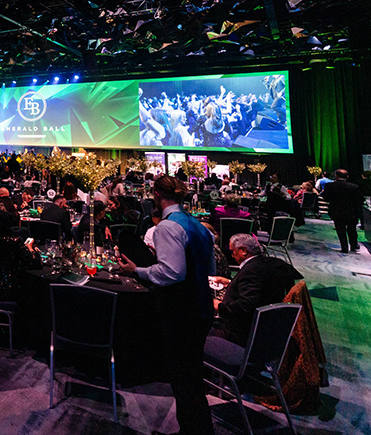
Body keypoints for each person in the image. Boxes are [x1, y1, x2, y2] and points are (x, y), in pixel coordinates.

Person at [118, 175, 215, 435]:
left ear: (157, 195)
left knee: (183, 379)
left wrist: (137, 270)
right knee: (192, 378)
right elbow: (210, 268)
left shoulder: (167, 227)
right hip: (202, 306)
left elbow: (172, 272)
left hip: (181, 310)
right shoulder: (199, 227)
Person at [209, 233, 302, 345]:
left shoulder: (251, 271)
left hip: (241, 334)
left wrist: (219, 306)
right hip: (269, 328)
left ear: (243, 250)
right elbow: (263, 288)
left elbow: (246, 306)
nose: (232, 256)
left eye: (233, 251)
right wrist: (230, 282)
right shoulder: (275, 263)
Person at [321, 169, 362, 253]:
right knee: (352, 229)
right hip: (351, 212)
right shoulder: (354, 187)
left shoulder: (330, 186)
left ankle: (344, 247)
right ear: (347, 176)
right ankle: (353, 245)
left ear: (336, 176)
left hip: (336, 211)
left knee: (340, 230)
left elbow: (325, 197)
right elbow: (360, 200)